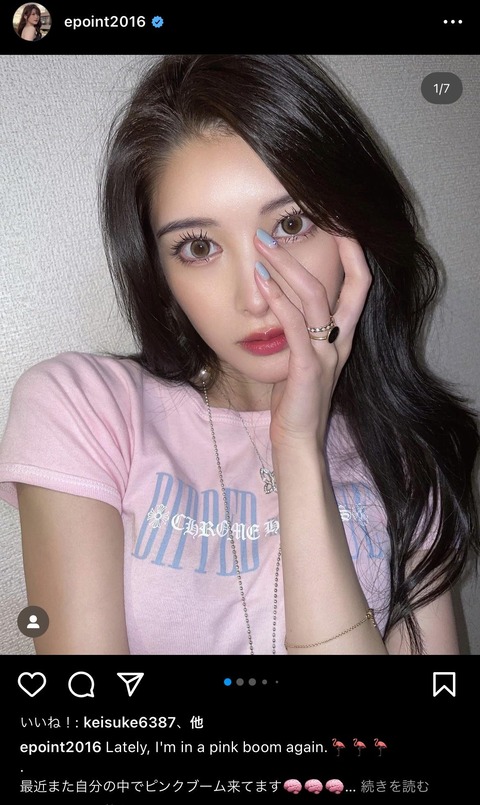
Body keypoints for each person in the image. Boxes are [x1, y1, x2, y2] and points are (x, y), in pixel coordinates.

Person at [0, 54, 478, 655]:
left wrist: (298, 448)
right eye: (199, 246)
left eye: (292, 224)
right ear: (160, 272)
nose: (256, 297)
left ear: (356, 232)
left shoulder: (405, 459)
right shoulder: (86, 407)